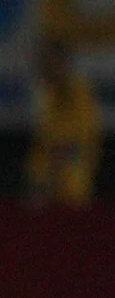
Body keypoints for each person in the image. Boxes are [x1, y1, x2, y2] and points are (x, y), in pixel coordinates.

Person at [27, 38, 102, 208]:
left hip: (69, 193)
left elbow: (79, 143)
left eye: (47, 61)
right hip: (45, 190)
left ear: (62, 62)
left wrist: (47, 181)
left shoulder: (78, 93)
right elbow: (43, 146)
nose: (42, 66)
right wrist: (37, 180)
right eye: (40, 60)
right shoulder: (48, 96)